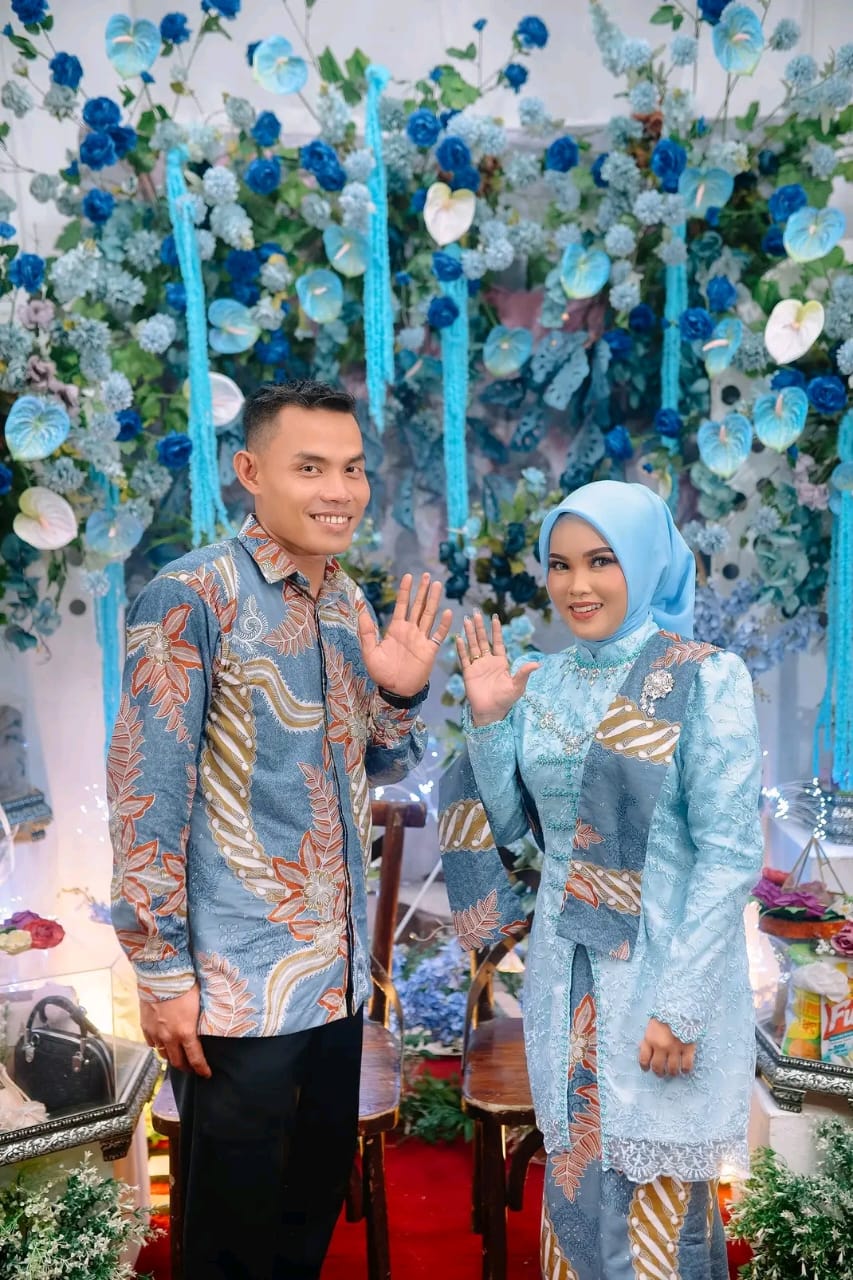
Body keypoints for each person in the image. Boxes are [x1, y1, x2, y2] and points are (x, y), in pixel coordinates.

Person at [109, 378, 452, 1280]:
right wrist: (159, 971)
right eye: (310, 468)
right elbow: (145, 793)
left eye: (352, 468)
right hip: (237, 987)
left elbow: (376, 766)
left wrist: (400, 692)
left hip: (334, 983)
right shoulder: (191, 596)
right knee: (231, 1242)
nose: (339, 490)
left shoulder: (344, 601)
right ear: (250, 471)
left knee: (304, 1224)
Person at [439, 480, 763, 1280]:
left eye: (600, 561)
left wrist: (679, 1006)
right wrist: (489, 721)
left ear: (645, 563)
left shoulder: (701, 679)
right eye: (559, 565)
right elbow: (514, 832)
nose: (576, 585)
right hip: (566, 977)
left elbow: (728, 855)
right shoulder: (542, 682)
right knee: (579, 1190)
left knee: (654, 1212)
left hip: (663, 978)